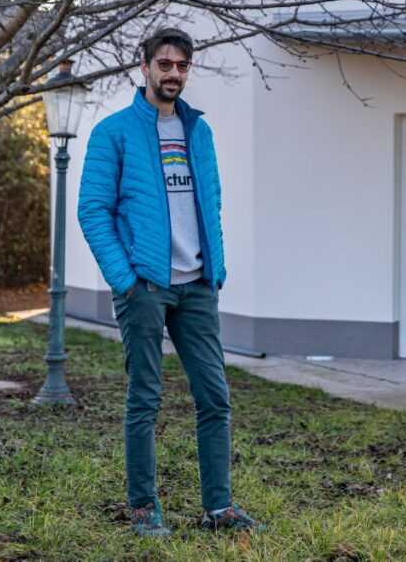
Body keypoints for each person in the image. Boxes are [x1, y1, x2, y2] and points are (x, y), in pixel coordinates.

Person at [77, 28, 260, 536]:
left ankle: (218, 508)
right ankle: (143, 507)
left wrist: (214, 270)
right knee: (145, 398)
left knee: (215, 397)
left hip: (197, 285)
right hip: (145, 286)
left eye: (181, 65)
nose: (173, 73)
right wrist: (125, 279)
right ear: (145, 67)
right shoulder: (114, 133)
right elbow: (93, 210)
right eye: (164, 64)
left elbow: (211, 204)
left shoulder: (199, 132)